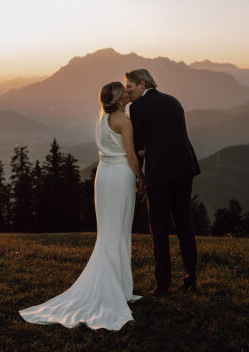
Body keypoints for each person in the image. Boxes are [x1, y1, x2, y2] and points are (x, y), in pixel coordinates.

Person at [18, 81, 143, 330]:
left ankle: (119, 286)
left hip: (104, 177)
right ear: (118, 100)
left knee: (108, 232)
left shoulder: (101, 117)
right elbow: (130, 156)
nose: (128, 94)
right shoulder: (124, 121)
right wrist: (142, 177)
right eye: (124, 93)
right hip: (120, 177)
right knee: (119, 232)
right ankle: (115, 290)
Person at [125, 68, 201, 296]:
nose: (127, 92)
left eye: (129, 87)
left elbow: (138, 145)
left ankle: (163, 283)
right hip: (184, 168)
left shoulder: (137, 108)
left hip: (160, 173)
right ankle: (191, 277)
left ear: (141, 83)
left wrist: (138, 167)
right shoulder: (173, 101)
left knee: (158, 229)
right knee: (184, 224)